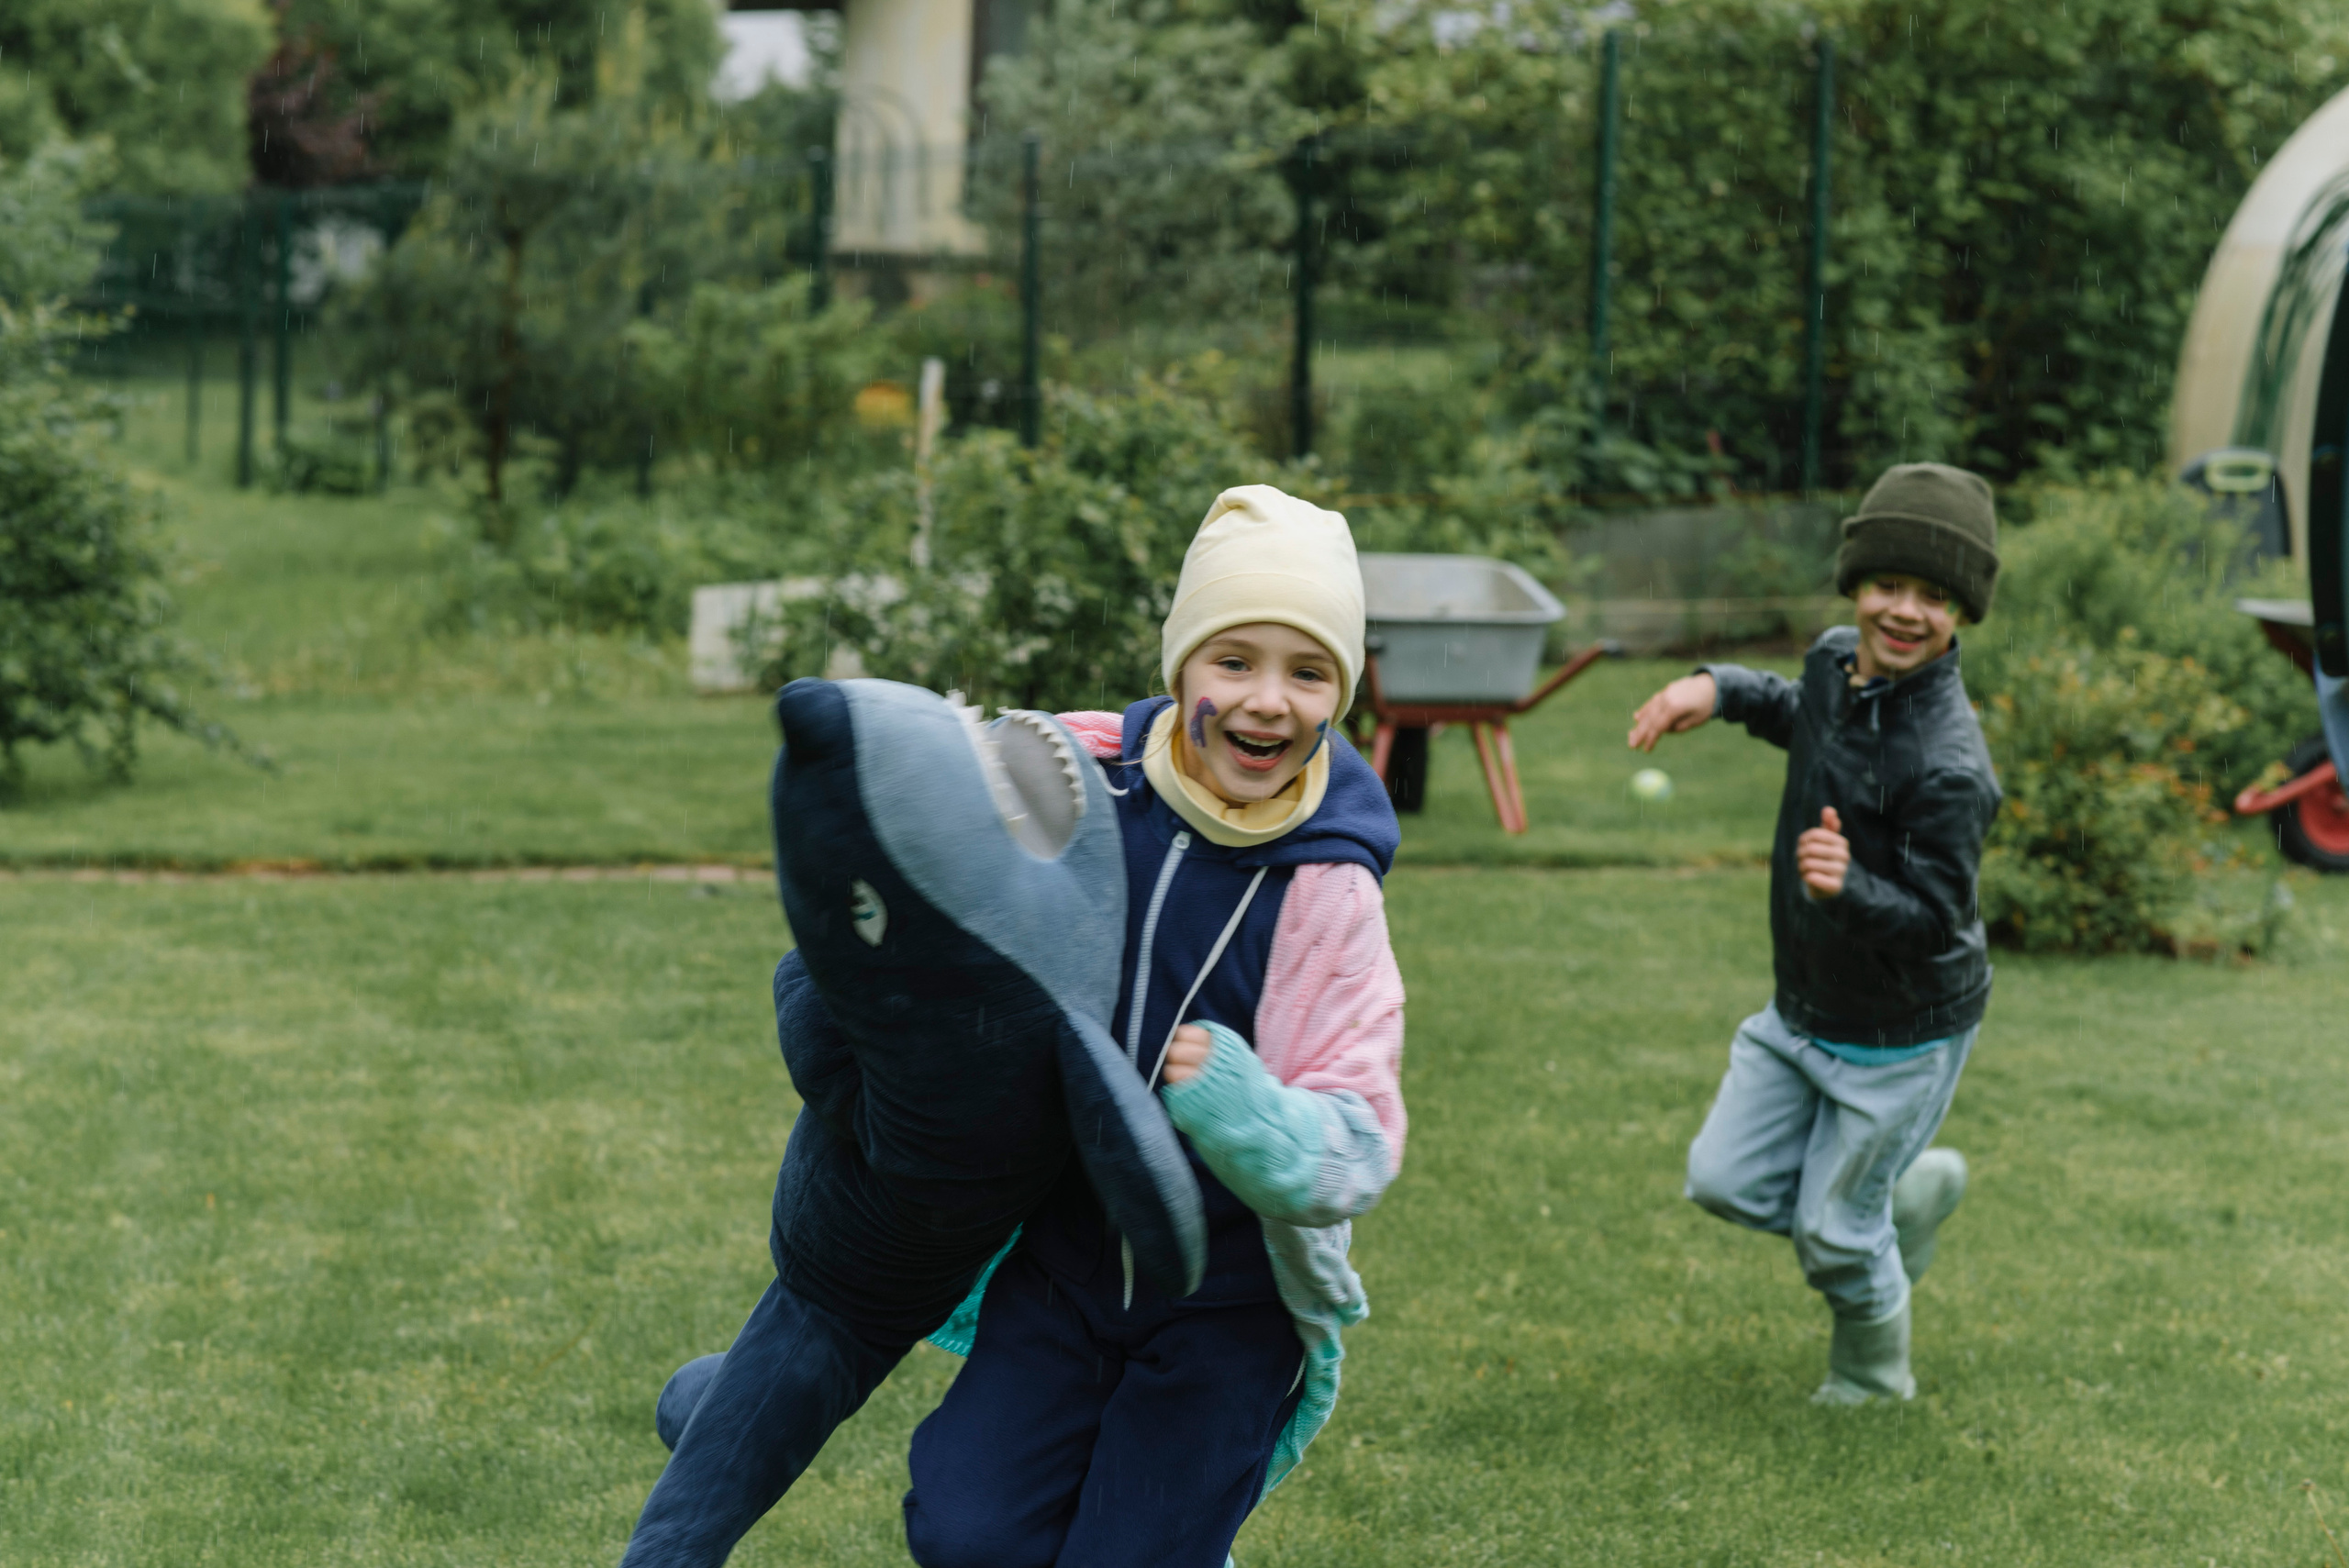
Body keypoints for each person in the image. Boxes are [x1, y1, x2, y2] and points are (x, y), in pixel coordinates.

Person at [900, 484, 1408, 1567]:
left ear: (1342, 695)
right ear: (1180, 666)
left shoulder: (1331, 889)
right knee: (965, 1530)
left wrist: (1247, 1111)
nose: (1266, 701)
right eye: (1234, 661)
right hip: (1064, 1260)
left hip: (1229, 1299)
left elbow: (1359, 1135)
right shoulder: (1081, 781)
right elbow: (925, 819)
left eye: (1307, 671)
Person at [1627, 462, 2001, 1405]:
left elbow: (1933, 921)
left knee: (1835, 1231)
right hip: (1800, 1009)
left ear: (1962, 610)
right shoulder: (1837, 662)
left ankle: (1872, 1377)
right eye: (1887, 583)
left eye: (1933, 594)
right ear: (1855, 584)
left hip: (1899, 1032)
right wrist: (1713, 690)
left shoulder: (1948, 765)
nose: (1904, 609)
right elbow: (1804, 717)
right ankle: (1898, 1200)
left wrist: (1848, 890)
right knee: (1721, 1179)